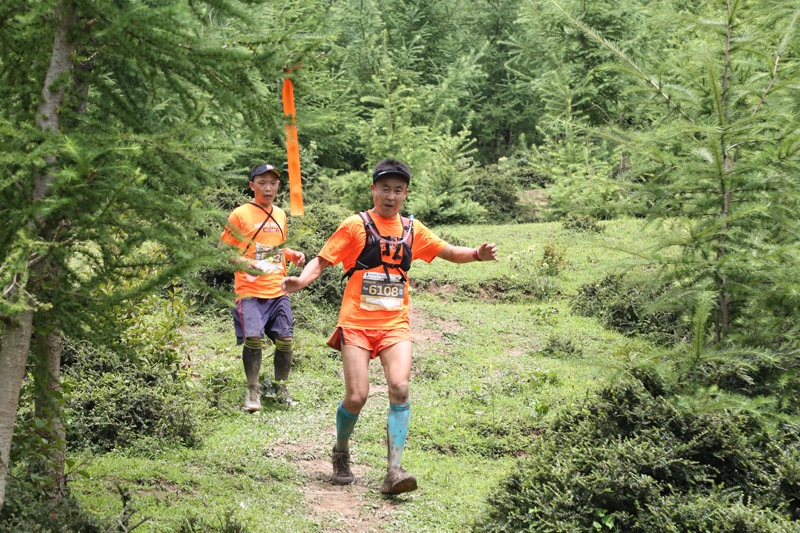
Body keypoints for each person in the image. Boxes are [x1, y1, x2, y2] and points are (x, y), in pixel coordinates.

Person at [281, 158, 498, 494]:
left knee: (400, 388)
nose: (391, 196)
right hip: (356, 324)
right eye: (385, 188)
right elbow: (322, 260)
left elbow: (449, 251)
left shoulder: (412, 229)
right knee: (357, 396)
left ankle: (394, 470)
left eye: (398, 190)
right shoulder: (355, 225)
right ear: (373, 190)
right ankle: (341, 452)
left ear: (405, 193)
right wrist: (301, 281)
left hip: (395, 325)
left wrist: (477, 254)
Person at [220, 163, 306, 411]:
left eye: (273, 183)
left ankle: (280, 389)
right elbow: (223, 251)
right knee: (254, 339)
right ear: (252, 186)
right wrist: (247, 262)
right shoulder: (239, 214)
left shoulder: (280, 214)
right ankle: (252, 391)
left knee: (286, 340)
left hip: (278, 289)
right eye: (262, 183)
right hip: (250, 291)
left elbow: (277, 246)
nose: (268, 188)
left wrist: (292, 254)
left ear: (278, 186)